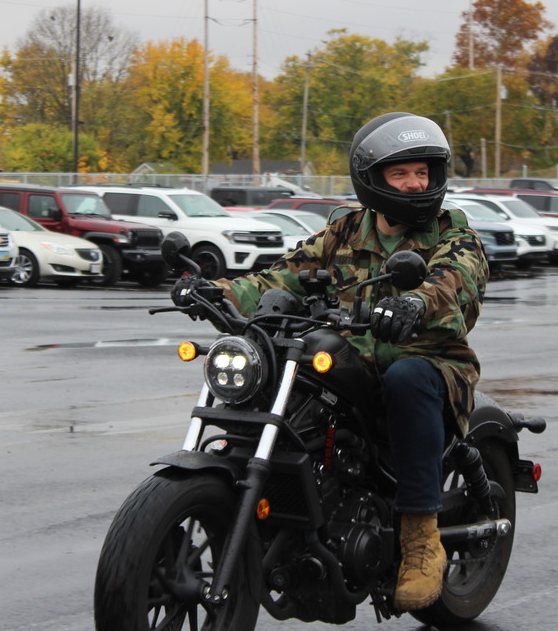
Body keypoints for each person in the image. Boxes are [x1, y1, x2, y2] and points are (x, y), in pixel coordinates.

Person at [171, 111, 489, 611]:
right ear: (373, 179)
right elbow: (281, 278)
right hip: (354, 361)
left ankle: (421, 538)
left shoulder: (452, 235)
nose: (414, 183)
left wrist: (415, 303)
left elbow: (456, 282)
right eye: (400, 173)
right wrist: (217, 291)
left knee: (407, 376)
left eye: (422, 172)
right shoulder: (344, 230)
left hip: (430, 362)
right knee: (281, 368)